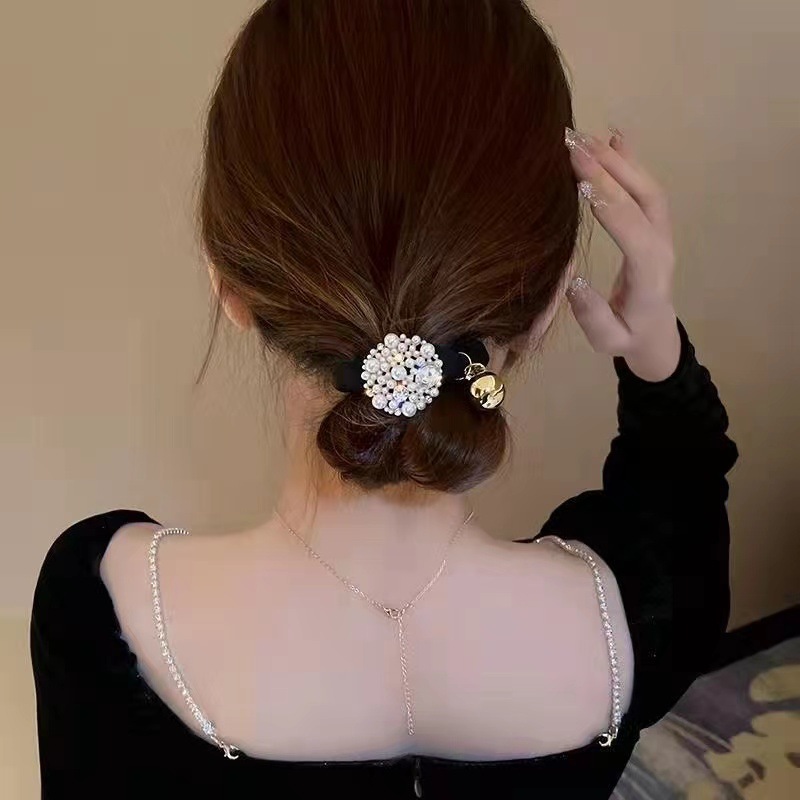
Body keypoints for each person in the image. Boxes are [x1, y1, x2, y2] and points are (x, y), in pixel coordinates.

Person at [30, 1, 738, 797]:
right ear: (546, 306)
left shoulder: (102, 611)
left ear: (228, 285)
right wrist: (655, 354)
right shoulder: (634, 614)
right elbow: (680, 488)